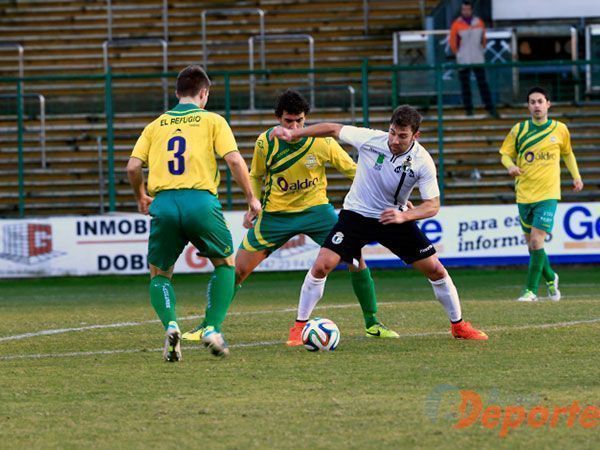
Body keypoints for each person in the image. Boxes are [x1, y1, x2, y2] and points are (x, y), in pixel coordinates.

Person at [182, 89, 400, 346]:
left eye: (299, 121)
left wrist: (391, 194)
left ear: (306, 118)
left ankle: (372, 323)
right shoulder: (265, 142)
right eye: (288, 121)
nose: (294, 126)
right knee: (236, 270)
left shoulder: (322, 142)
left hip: (317, 212)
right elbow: (256, 174)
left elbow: (354, 171)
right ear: (278, 119)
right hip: (275, 215)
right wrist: (253, 202)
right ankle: (208, 325)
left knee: (356, 259)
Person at [270, 105, 488, 340]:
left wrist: (404, 215)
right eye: (393, 132)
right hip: (356, 215)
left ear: (416, 135)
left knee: (436, 270)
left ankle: (458, 326)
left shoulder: (422, 161)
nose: (394, 140)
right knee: (322, 265)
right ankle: (300, 327)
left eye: (402, 136)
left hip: (392, 218)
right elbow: (333, 129)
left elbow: (433, 205)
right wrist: (294, 134)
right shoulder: (371, 139)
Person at [126, 65, 261, 361]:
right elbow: (235, 161)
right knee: (225, 264)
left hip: (163, 203)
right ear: (204, 94)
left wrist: (141, 196)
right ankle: (211, 327)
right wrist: (251, 198)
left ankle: (171, 324)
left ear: (176, 93)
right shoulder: (212, 120)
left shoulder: (154, 125)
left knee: (160, 275)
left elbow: (133, 167)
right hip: (200, 201)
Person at [499, 86, 583, 302]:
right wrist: (510, 167)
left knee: (536, 242)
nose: (536, 105)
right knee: (533, 246)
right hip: (524, 194)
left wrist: (576, 176)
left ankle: (530, 290)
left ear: (548, 104)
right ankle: (551, 277)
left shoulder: (560, 129)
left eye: (540, 101)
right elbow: (505, 154)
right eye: (532, 102)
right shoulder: (519, 130)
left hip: (548, 194)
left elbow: (568, 154)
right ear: (528, 106)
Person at [449, 0, 496, 117]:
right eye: (464, 9)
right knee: (465, 86)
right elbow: (453, 43)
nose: (466, 11)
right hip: (463, 60)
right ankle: (468, 110)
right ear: (461, 11)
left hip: (477, 58)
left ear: (471, 10)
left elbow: (483, 40)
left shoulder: (479, 22)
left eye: (468, 9)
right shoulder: (456, 24)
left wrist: (480, 50)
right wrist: (459, 54)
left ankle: (489, 108)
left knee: (483, 84)